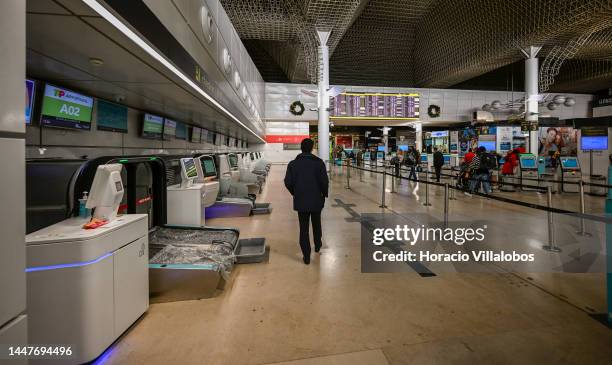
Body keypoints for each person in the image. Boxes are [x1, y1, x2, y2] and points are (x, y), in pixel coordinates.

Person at [284, 138, 329, 265]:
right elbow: (324, 182)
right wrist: (324, 195)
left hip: (301, 200)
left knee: (303, 228)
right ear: (312, 148)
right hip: (316, 200)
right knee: (317, 224)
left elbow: (288, 182)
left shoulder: (293, 164)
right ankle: (318, 245)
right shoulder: (319, 163)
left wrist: (295, 192)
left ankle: (306, 256)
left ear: (301, 148)